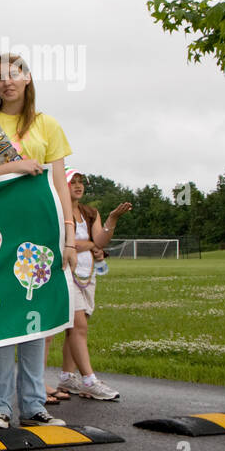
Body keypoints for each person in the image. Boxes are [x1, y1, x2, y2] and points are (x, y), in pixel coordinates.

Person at [0, 52, 75, 430]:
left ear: (27, 79)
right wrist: (11, 166)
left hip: (40, 230)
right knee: (4, 318)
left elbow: (59, 185)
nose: (6, 82)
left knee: (35, 320)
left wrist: (69, 235)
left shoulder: (47, 125)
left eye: (13, 75)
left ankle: (35, 406)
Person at [54, 169, 131, 401]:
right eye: (72, 182)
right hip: (67, 272)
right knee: (79, 327)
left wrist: (112, 219)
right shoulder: (58, 210)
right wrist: (89, 244)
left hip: (88, 275)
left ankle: (67, 376)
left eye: (81, 183)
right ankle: (89, 380)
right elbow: (69, 243)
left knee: (75, 329)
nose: (78, 186)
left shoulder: (90, 213)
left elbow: (100, 241)